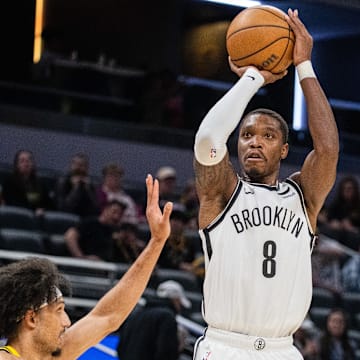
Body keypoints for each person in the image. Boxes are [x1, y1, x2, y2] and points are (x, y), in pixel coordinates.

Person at [192, 9, 339, 360]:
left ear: (284, 149)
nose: (254, 142)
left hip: (282, 350)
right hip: (225, 346)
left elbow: (329, 149)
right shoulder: (223, 191)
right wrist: (253, 78)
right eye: (246, 135)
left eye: (267, 135)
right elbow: (208, 139)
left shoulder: (302, 196)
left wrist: (304, 65)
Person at [0, 174, 173, 360]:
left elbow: (107, 316)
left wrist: (157, 241)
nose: (66, 322)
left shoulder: (52, 355)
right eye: (58, 311)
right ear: (32, 318)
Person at [117, 280, 191, 360]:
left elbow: (121, 346)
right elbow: (166, 351)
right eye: (180, 304)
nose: (180, 309)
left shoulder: (137, 313)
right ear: (175, 300)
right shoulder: (167, 316)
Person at [2, 150, 54, 214]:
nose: (26, 163)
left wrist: (43, 210)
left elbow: (50, 205)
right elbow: (12, 203)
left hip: (37, 219)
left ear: (33, 164)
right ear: (17, 165)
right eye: (22, 161)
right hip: (16, 216)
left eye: (29, 160)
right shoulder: (9, 182)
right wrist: (34, 210)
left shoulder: (40, 184)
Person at [320, 175, 360, 251]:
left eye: (349, 189)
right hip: (338, 237)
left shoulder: (358, 206)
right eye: (344, 189)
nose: (347, 192)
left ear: (355, 190)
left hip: (354, 237)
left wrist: (352, 229)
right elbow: (328, 218)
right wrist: (333, 223)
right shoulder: (337, 204)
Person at [55, 152, 99, 217]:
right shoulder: (63, 181)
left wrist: (88, 189)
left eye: (81, 165)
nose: (78, 168)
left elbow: (96, 209)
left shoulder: (89, 183)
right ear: (71, 165)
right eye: (76, 164)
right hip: (66, 217)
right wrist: (76, 188)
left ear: (87, 168)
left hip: (85, 218)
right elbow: (63, 209)